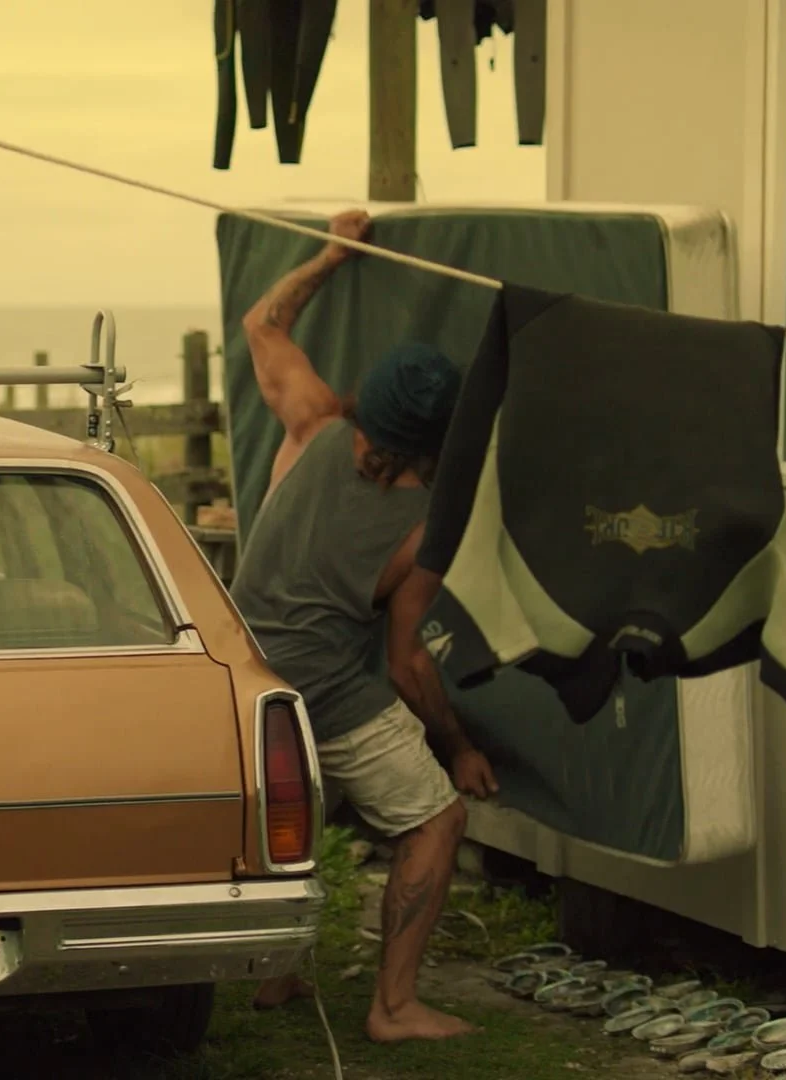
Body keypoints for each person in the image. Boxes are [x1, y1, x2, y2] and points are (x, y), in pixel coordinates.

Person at [230, 209, 498, 1043]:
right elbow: (408, 664)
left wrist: (332, 254)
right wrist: (457, 748)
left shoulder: (310, 424)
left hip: (240, 670)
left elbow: (263, 321)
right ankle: (393, 1008)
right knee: (433, 820)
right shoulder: (425, 530)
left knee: (313, 790)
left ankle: (275, 975)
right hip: (324, 680)